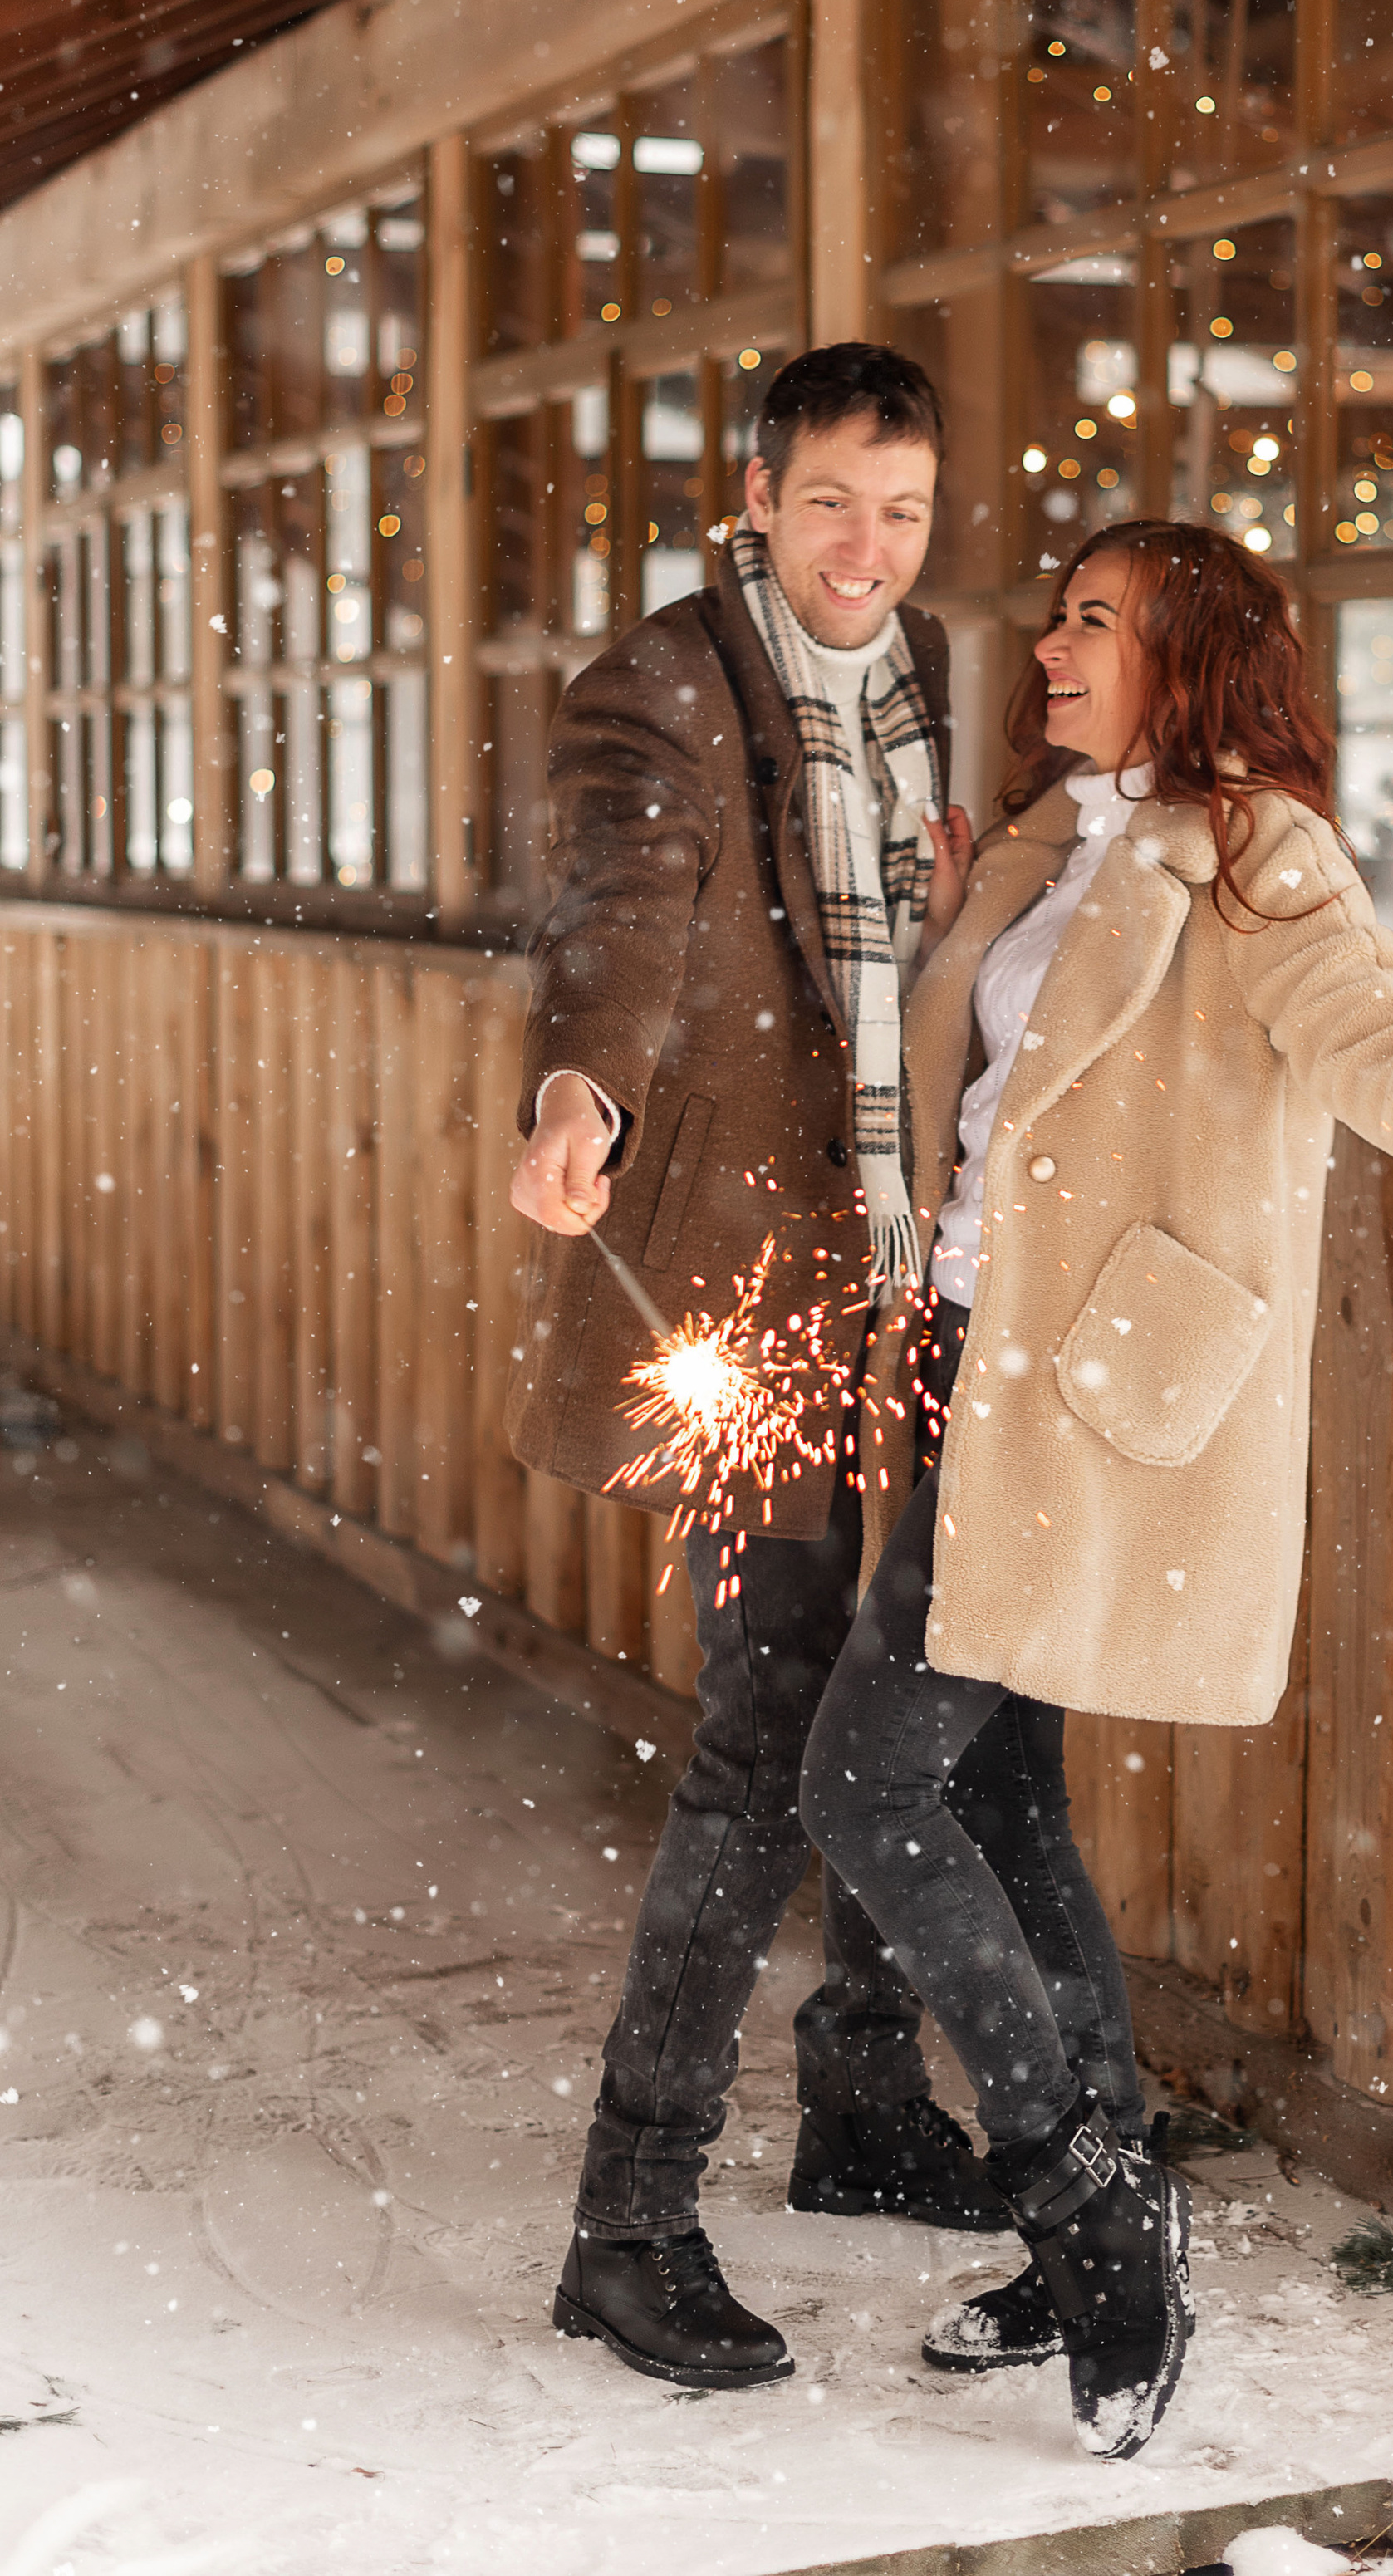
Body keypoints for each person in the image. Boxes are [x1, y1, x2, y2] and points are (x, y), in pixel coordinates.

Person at [800, 520, 1393, 2459]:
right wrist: (962, 920)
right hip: (969, 1360)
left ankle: (1080, 2195)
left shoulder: (1255, 847)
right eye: (1059, 614)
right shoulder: (1054, 833)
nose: (1049, 643)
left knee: (863, 1780)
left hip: (1081, 1380)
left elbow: (1375, 1030)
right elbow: (982, 1084)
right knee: (997, 1788)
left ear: (1186, 652)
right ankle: (1097, 2208)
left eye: (1094, 620)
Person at [508, 341, 1003, 2398]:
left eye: (896, 509)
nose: (862, 550)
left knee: (899, 1695)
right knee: (764, 1731)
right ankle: (628, 2223)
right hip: (745, 1292)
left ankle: (865, 2105)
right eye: (826, 507)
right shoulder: (664, 684)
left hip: (915, 1277)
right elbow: (622, 899)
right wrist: (579, 1091)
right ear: (757, 496)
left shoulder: (946, 677)